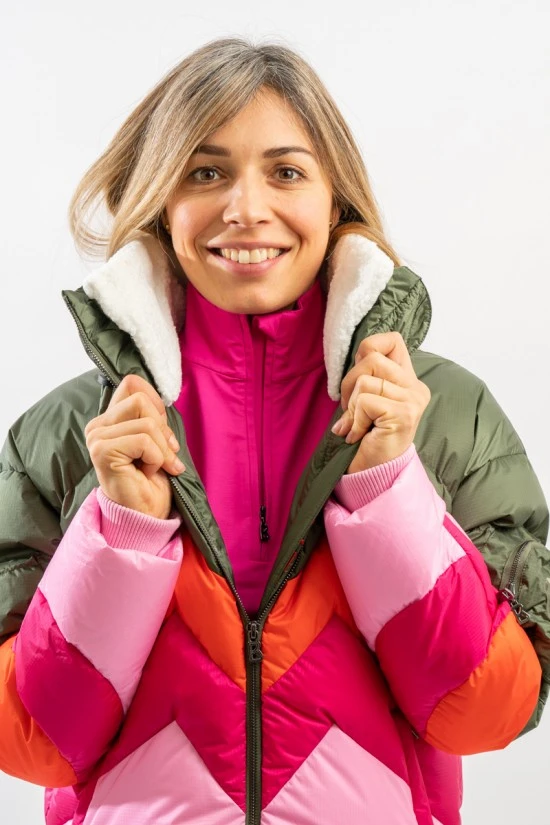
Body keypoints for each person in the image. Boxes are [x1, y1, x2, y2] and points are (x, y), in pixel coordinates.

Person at [0, 37, 548, 825]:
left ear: (335, 199)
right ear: (160, 198)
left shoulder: (443, 414)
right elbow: (35, 744)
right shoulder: (69, 435)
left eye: (286, 172)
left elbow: (485, 713)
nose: (245, 209)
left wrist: (390, 490)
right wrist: (120, 535)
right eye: (205, 172)